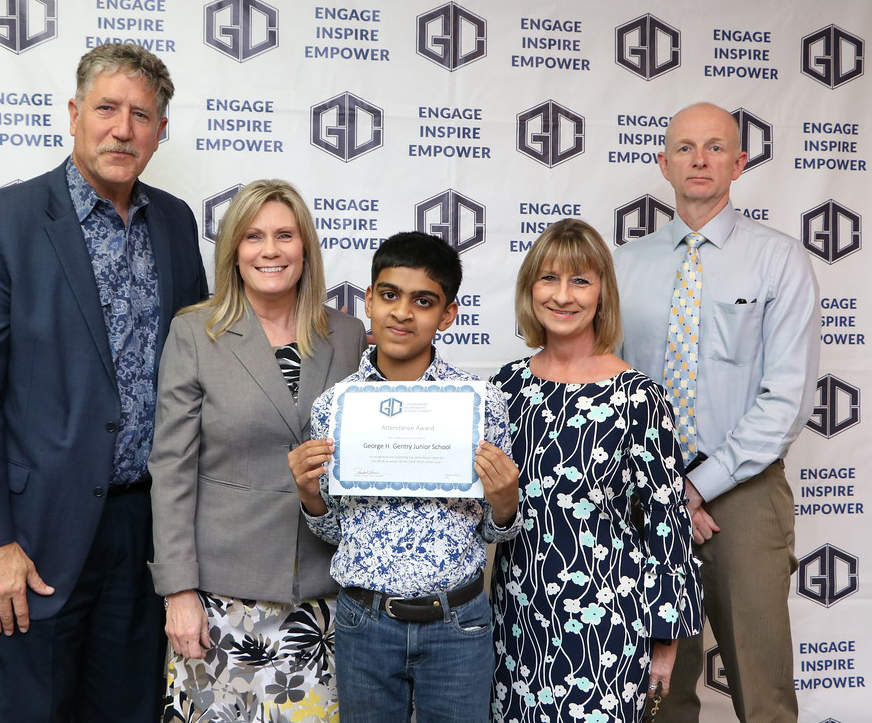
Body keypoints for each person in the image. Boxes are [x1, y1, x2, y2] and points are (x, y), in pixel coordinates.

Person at [0, 43, 208, 722]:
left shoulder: (177, 224)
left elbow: (192, 379)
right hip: (29, 540)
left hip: (142, 534)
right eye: (107, 109)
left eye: (142, 116)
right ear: (73, 114)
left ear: (160, 131)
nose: (123, 129)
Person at [613, 102, 821, 723]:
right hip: (642, 495)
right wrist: (662, 488)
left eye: (714, 147)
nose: (699, 159)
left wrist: (697, 488)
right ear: (663, 163)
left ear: (739, 161)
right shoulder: (623, 265)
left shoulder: (779, 259)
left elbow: (786, 399)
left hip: (743, 494)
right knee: (657, 692)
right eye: (684, 148)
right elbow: (608, 387)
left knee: (762, 692)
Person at [149, 179, 367, 722]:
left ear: (305, 247)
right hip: (219, 603)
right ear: (233, 252)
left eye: (284, 235)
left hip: (322, 602)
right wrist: (178, 592)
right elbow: (172, 469)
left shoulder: (348, 335)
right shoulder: (195, 333)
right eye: (253, 237)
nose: (270, 250)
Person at [288, 231, 522, 723]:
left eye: (423, 301)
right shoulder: (336, 406)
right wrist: (310, 496)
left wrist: (505, 504)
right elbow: (335, 532)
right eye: (390, 295)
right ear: (368, 301)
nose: (402, 312)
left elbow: (491, 529)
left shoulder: (480, 404)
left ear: (449, 314)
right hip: (365, 621)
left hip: (458, 622)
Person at [490, 218, 703, 723]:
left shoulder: (639, 396)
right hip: (517, 617)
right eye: (549, 279)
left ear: (603, 293)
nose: (563, 296)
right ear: (529, 289)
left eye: (580, 280)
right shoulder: (504, 388)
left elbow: (667, 522)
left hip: (609, 622)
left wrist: (665, 641)